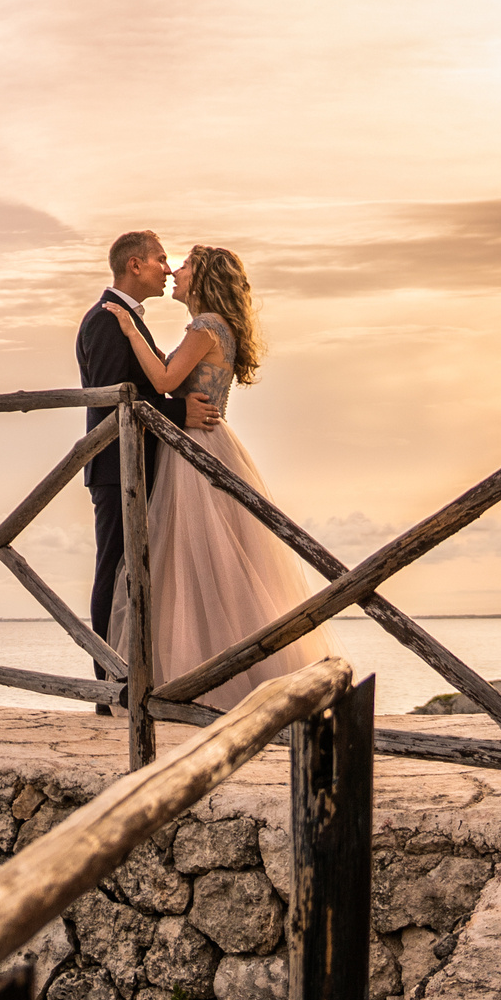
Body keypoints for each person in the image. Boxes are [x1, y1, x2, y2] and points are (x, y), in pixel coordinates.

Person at [100, 243, 331, 710]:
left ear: (202, 278)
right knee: (208, 565)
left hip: (196, 449)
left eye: (183, 266)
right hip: (206, 442)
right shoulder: (214, 329)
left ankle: (194, 681)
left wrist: (128, 327)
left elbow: (165, 381)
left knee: (190, 562)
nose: (175, 272)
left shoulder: (205, 328)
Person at [76, 231, 217, 712]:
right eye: (160, 259)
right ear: (134, 265)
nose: (167, 266)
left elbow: (146, 393)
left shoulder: (128, 321)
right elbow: (117, 399)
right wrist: (180, 414)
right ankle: (108, 686)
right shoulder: (105, 321)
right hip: (117, 468)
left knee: (134, 573)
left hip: (139, 465)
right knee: (113, 570)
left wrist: (174, 409)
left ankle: (135, 678)